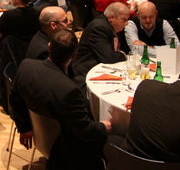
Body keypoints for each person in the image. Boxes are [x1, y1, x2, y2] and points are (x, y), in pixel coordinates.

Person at [11, 29, 110, 170]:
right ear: (74, 56)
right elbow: (85, 130)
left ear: (49, 46)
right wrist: (104, 125)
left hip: (40, 137)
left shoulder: (26, 66)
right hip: (65, 149)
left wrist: (24, 128)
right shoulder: (69, 90)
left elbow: (15, 99)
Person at [72, 2, 129, 83]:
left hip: (102, 68)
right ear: (111, 18)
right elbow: (108, 58)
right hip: (85, 73)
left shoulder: (112, 26)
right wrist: (123, 55)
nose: (126, 24)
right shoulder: (99, 27)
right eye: (124, 19)